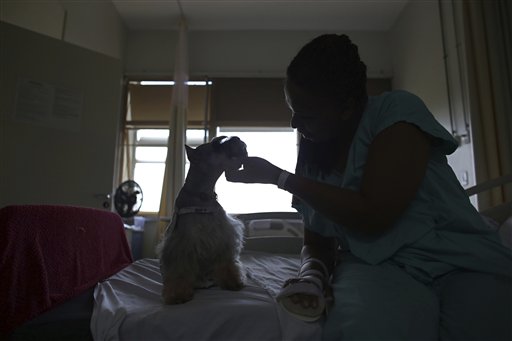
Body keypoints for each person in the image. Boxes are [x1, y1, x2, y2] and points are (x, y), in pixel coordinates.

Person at [226, 34, 512, 340]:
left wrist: (280, 178)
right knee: (364, 329)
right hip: (377, 268)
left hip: (459, 258)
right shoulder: (312, 155)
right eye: (292, 110)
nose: (295, 124)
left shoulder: (397, 112)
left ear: (347, 108)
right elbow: (317, 243)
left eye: (308, 115)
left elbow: (374, 214)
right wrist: (312, 275)